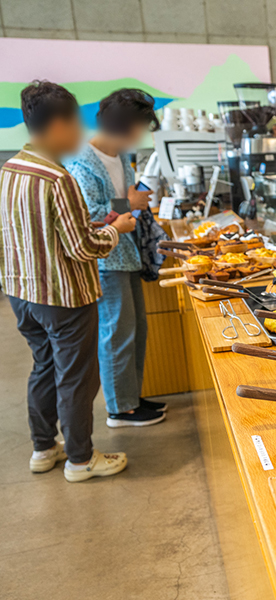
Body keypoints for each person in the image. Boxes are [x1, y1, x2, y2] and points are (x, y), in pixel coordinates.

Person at [0, 81, 134, 482]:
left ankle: (44, 448)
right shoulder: (59, 179)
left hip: (22, 293)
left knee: (43, 366)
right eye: (75, 122)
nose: (79, 132)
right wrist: (117, 229)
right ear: (57, 124)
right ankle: (80, 458)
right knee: (77, 377)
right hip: (65, 295)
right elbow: (81, 248)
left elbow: (33, 230)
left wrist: (90, 226)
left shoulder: (10, 170)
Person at [67, 89, 167, 427]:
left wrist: (132, 198)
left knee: (136, 327)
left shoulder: (120, 156)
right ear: (125, 125)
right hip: (105, 258)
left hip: (127, 253)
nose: (142, 134)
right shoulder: (82, 161)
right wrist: (130, 204)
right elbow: (88, 215)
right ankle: (120, 408)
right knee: (117, 331)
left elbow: (120, 197)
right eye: (141, 126)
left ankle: (131, 396)